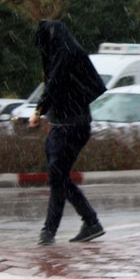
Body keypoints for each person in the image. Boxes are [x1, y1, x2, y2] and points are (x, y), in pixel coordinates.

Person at [30, 20, 106, 246]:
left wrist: (39, 110)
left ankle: (49, 231)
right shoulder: (69, 51)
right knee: (59, 178)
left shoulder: (66, 53)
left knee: (58, 178)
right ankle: (91, 222)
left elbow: (54, 83)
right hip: (67, 126)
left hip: (70, 127)